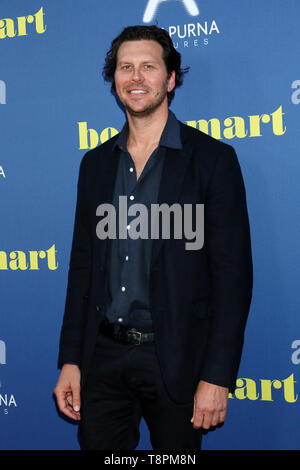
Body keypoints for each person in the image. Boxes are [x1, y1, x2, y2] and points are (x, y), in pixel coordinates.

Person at [54, 25, 253, 451]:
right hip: (103, 357)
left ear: (171, 79)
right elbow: (83, 267)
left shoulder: (214, 161)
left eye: (148, 66)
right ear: (115, 81)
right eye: (126, 67)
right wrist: (71, 359)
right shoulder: (95, 164)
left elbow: (233, 280)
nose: (136, 77)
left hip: (178, 358)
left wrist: (217, 376)